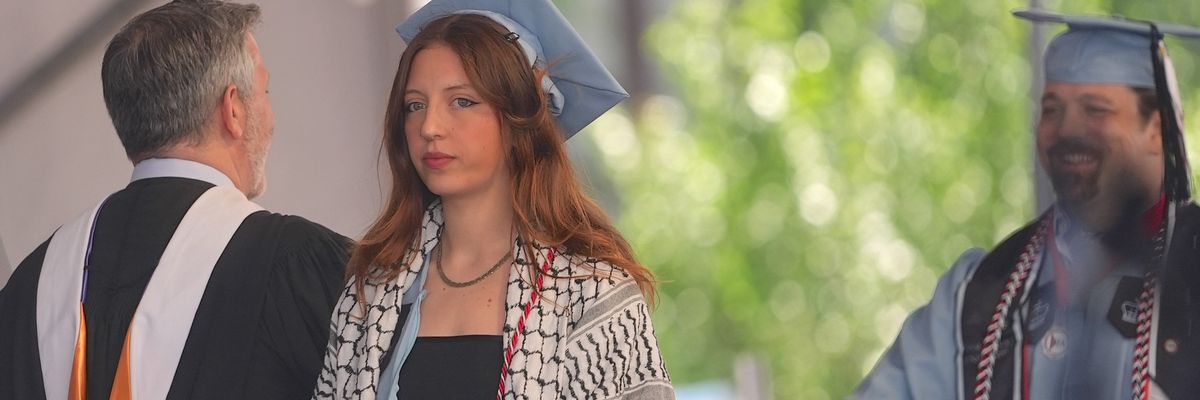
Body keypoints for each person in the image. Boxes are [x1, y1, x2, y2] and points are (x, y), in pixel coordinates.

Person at [312, 0, 674, 398]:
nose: (429, 127)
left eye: (462, 101)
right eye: (415, 105)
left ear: (520, 118)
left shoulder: (590, 293)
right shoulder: (368, 292)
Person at [0, 1, 349, 399]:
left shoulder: (28, 290)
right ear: (232, 108)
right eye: (264, 91)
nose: (269, 114)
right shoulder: (297, 265)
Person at [855, 10, 1200, 400]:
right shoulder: (975, 298)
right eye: (1052, 109)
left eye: (1095, 110)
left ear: (1156, 131)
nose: (1067, 130)